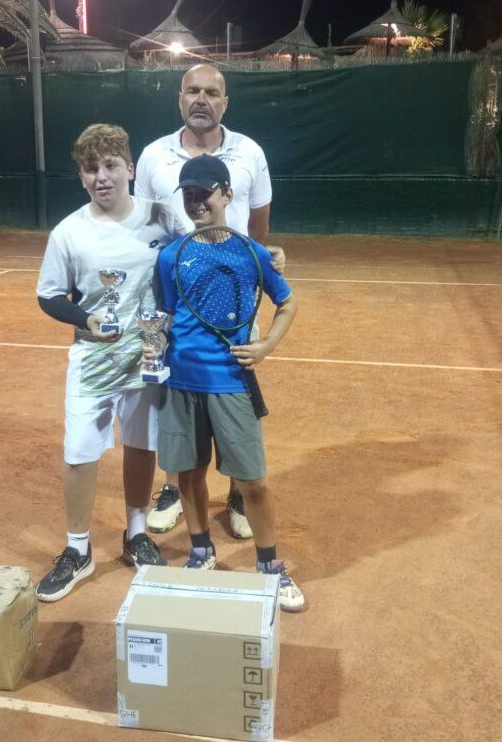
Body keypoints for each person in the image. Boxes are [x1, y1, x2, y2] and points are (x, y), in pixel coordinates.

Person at [35, 123, 187, 602]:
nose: (101, 176)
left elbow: (196, 252)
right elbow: (48, 296)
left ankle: (136, 534)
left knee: (141, 446)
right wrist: (85, 318)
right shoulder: (68, 232)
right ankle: (78, 549)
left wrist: (261, 254)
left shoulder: (162, 216)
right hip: (92, 359)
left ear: (130, 169)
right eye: (90, 168)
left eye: (110, 166)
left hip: (148, 356)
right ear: (81, 176)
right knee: (79, 452)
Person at [150, 154, 305, 612]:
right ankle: (201, 551)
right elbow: (164, 315)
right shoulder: (171, 256)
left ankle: (269, 565)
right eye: (189, 194)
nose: (196, 201)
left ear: (227, 195)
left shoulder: (252, 253)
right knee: (188, 474)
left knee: (252, 481)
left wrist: (266, 346)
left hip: (231, 381)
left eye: (205, 193)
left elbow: (287, 303)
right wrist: (152, 347)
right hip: (181, 381)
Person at [136, 62, 282, 540]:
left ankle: (238, 490)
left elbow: (258, 222)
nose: (201, 99)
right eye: (192, 91)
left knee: (236, 389)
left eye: (211, 93)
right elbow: (145, 225)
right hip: (173, 296)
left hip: (232, 301)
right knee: (173, 394)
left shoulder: (250, 152)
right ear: (180, 98)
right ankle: (173, 487)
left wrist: (250, 267)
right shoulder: (154, 155)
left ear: (225, 102)